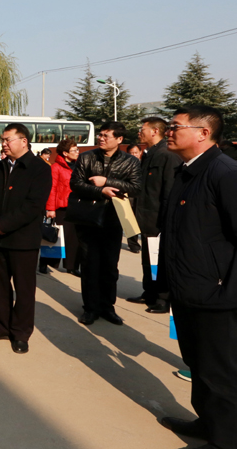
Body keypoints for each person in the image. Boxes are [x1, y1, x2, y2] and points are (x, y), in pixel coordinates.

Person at [157, 105, 237, 449]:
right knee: (199, 364)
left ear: (203, 133)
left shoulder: (228, 174)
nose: (168, 132)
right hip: (189, 288)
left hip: (219, 293)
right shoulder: (188, 171)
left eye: (175, 126)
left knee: (223, 373)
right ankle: (209, 424)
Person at [0, 123, 52, 353]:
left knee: (24, 290)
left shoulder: (39, 168)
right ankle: (3, 326)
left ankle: (21, 333)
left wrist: (2, 224)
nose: (3, 144)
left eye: (8, 139)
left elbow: (33, 206)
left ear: (24, 141)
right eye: (2, 140)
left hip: (23, 240)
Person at [70, 122, 142, 326]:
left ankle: (108, 307)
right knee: (90, 265)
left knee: (110, 266)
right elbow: (75, 184)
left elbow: (136, 188)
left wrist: (107, 182)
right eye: (100, 135)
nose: (101, 138)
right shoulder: (86, 157)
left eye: (106, 136)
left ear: (119, 139)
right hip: (88, 218)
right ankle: (90, 308)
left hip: (114, 218)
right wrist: (100, 191)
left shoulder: (130, 161)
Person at [126, 117, 181, 313]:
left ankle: (162, 299)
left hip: (159, 219)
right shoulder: (150, 154)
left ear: (155, 131)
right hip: (147, 218)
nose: (139, 133)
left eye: (143, 129)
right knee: (148, 259)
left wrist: (166, 220)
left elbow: (169, 192)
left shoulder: (167, 155)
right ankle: (149, 292)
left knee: (161, 261)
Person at [40, 139, 81, 275]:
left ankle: (72, 266)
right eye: (74, 150)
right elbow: (51, 189)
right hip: (61, 208)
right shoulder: (56, 167)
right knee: (54, 235)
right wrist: (50, 209)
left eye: (77, 149)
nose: (77, 152)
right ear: (65, 153)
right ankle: (45, 262)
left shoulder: (79, 166)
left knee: (74, 239)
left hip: (76, 206)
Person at [125, 143, 144, 254]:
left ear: (140, 152)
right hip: (130, 196)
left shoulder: (144, 164)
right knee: (130, 221)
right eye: (131, 153)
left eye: (136, 153)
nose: (133, 155)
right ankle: (133, 244)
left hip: (142, 196)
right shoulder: (125, 165)